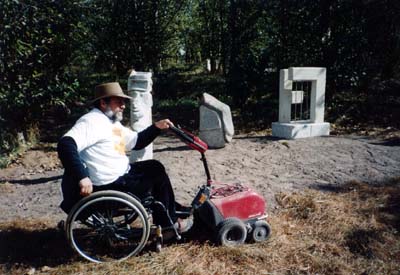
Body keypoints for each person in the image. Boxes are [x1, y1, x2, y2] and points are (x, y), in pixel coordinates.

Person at [57, 82, 192, 233]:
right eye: (118, 102)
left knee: (154, 167)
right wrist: (82, 177)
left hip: (121, 176)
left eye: (123, 102)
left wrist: (156, 127)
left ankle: (172, 210)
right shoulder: (91, 121)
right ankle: (169, 225)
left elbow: (136, 142)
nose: (123, 106)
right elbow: (66, 144)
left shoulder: (111, 122)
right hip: (109, 184)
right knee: (155, 172)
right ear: (103, 102)